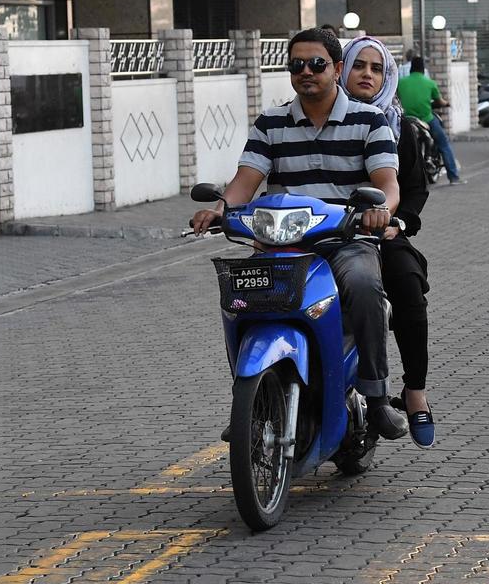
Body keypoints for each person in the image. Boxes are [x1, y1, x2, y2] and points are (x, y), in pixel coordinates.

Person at [191, 27, 407, 440]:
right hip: (281, 245)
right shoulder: (271, 122)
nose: (306, 71)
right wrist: (220, 209)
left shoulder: (369, 120)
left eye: (317, 64)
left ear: (336, 69)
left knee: (364, 286)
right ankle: (248, 401)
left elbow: (388, 184)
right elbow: (244, 181)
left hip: (346, 240)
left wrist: (380, 211)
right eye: (297, 65)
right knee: (239, 298)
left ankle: (377, 398)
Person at [341, 36, 437, 448]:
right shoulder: (318, 115)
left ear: (387, 76)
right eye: (358, 65)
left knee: (409, 287)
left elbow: (414, 189)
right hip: (321, 233)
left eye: (376, 68)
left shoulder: (400, 126)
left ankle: (414, 390)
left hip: (383, 234)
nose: (366, 74)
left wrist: (398, 222)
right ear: (342, 69)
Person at [397, 57, 461, 184]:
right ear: (423, 69)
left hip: (407, 121)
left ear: (411, 69)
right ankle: (453, 177)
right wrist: (447, 103)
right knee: (444, 144)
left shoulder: (400, 82)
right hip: (426, 119)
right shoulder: (430, 83)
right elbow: (439, 101)